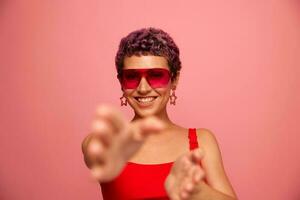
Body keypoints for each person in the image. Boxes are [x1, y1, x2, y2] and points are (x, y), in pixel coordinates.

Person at [81, 27, 237, 200]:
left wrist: (196, 191)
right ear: (121, 82)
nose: (143, 88)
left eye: (156, 75)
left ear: (174, 79)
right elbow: (91, 150)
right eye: (132, 77)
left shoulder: (201, 141)